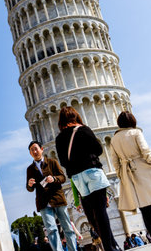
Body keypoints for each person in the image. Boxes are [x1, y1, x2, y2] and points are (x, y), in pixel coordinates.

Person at [55, 106, 118, 251]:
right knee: (101, 211)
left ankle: (112, 245)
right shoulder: (84, 130)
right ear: (75, 116)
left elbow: (63, 162)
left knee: (91, 215)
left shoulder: (59, 138)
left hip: (77, 178)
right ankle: (110, 248)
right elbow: (98, 149)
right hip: (92, 172)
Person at [110, 111, 151, 243]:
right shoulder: (136, 133)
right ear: (132, 121)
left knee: (144, 206)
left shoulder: (114, 139)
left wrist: (121, 174)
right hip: (145, 168)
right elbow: (145, 150)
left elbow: (114, 161)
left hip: (129, 173)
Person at [26, 140, 78, 251]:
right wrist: (29, 185)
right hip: (43, 203)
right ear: (30, 153)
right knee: (51, 230)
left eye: (36, 148)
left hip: (57, 199)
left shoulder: (52, 162)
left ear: (41, 149)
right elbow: (30, 188)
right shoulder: (30, 169)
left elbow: (63, 178)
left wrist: (54, 179)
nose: (34, 151)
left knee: (68, 228)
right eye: (32, 150)